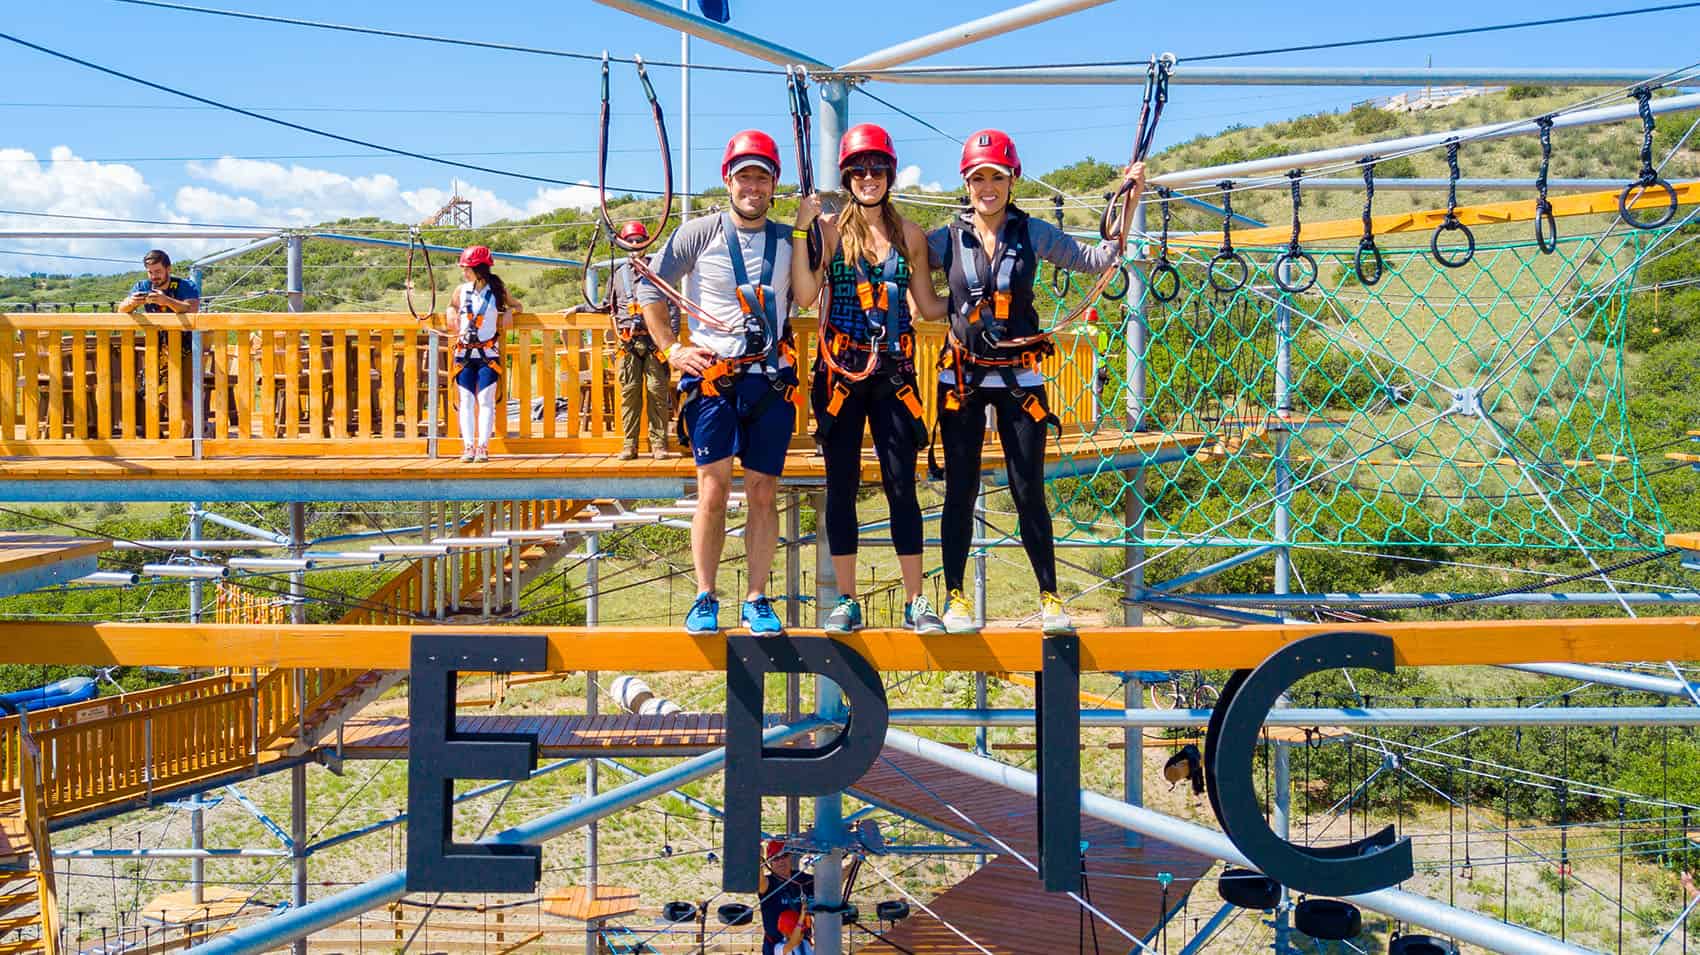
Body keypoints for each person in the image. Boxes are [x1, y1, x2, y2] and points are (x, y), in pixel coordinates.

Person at [925, 130, 1145, 635]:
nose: (987, 187)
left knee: (1029, 490)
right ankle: (955, 596)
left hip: (1019, 375)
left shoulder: (1034, 233)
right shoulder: (945, 239)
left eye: (996, 178)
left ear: (1011, 180)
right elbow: (898, 262)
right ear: (966, 182)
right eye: (978, 178)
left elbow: (1099, 261)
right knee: (961, 488)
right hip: (961, 375)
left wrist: (1127, 203)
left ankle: (1049, 597)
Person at [635, 130, 797, 636]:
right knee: (713, 489)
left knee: (763, 490)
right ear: (728, 180)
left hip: (768, 380)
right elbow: (649, 288)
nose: (753, 185)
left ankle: (756, 596)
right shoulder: (697, 233)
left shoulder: (790, 240)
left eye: (762, 177)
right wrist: (671, 349)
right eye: (744, 176)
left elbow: (812, 293)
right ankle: (704, 595)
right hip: (714, 379)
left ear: (774, 186)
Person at [792, 123, 946, 636]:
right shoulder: (830, 232)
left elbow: (927, 306)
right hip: (840, 374)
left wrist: (979, 306)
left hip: (894, 374)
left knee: (902, 486)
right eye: (858, 169)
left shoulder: (911, 237)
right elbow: (807, 295)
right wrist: (801, 229)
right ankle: (848, 600)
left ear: (890, 174)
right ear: (847, 176)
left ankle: (917, 601)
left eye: (877, 168)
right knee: (842, 486)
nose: (868, 177)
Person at [569, 221, 679, 460]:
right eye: (631, 241)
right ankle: (629, 445)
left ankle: (658, 445)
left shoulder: (658, 274)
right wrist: (579, 308)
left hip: (654, 343)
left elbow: (672, 308)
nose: (635, 245)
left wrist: (671, 344)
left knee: (656, 393)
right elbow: (606, 306)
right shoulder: (618, 276)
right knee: (629, 395)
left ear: (647, 243)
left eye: (640, 241)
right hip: (628, 343)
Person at [445, 245, 522, 463]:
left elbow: (518, 306)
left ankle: (483, 447)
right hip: (465, 354)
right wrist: (450, 311)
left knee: (485, 400)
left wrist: (509, 311)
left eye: (467, 268)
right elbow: (451, 305)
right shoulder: (461, 290)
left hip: (488, 353)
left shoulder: (497, 291)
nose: (464, 272)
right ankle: (468, 446)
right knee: (466, 400)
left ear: (479, 269)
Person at [117, 249, 200, 431]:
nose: (154, 276)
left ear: (168, 269)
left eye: (158, 272)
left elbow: (192, 308)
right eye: (150, 272)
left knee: (187, 395)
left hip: (187, 347)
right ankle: (204, 427)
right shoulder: (142, 286)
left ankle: (189, 443)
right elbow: (121, 309)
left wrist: (166, 301)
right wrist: (132, 303)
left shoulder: (184, 285)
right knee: (162, 394)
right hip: (159, 349)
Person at [757, 840, 813, 955]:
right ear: (770, 863)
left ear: (790, 857)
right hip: (777, 943)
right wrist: (757, 858)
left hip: (802, 943)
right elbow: (760, 880)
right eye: (776, 858)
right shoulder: (768, 883)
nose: (781, 861)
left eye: (784, 856)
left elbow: (831, 884)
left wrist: (854, 861)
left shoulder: (802, 879)